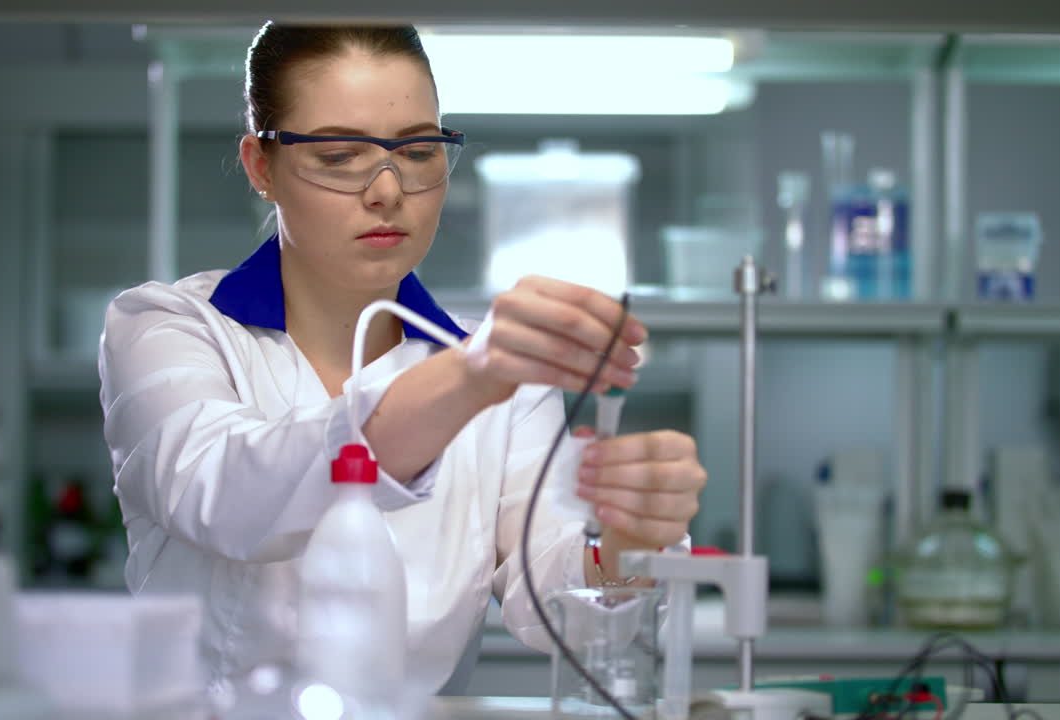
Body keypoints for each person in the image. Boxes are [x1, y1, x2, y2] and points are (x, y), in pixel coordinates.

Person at [98, 22, 706, 695]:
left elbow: (557, 605)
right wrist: (470, 376)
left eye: (418, 151)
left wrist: (626, 537)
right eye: (339, 155)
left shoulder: (499, 379)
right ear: (261, 166)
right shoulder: (168, 327)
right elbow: (222, 491)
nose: (388, 189)